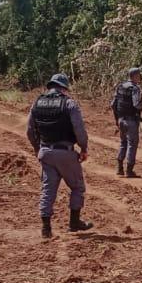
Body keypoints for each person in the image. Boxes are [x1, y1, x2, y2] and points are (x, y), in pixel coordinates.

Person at [26, 73, 93, 238]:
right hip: (65, 153)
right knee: (77, 187)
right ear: (64, 88)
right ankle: (74, 223)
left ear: (50, 86)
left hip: (45, 153)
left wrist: (38, 149)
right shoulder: (69, 104)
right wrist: (84, 148)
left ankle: (46, 229)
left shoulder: (37, 103)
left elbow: (29, 131)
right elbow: (80, 131)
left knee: (48, 190)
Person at [111, 67, 142, 178]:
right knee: (132, 144)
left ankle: (119, 168)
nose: (140, 77)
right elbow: (136, 104)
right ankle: (129, 171)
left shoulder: (120, 87)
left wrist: (117, 119)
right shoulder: (135, 88)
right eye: (139, 75)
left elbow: (113, 104)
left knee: (123, 143)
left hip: (121, 120)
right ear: (135, 76)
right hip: (131, 120)